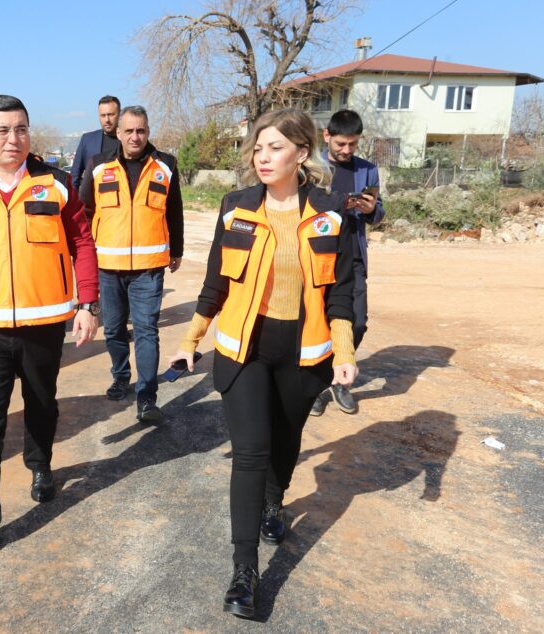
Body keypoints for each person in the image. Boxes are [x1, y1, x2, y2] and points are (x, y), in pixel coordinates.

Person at [168, 108, 357, 618]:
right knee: (250, 452)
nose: (263, 157)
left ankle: (277, 498)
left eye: (275, 147)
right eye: (258, 148)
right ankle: (244, 572)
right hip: (243, 347)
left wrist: (344, 354)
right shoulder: (235, 208)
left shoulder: (332, 212)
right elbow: (215, 284)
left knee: (284, 442)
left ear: (301, 151)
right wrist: (190, 339)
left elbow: (343, 292)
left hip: (304, 350)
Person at [0, 95, 99, 569]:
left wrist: (87, 303)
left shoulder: (57, 185)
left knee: (42, 404)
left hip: (44, 325)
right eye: (3, 130)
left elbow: (82, 242)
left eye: (21, 129)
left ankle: (40, 463)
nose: (14, 139)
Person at [79, 105, 184, 422]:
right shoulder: (99, 166)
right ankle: (121, 375)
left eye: (140, 130)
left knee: (147, 331)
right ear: (118, 133)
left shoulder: (166, 165)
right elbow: (84, 212)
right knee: (112, 331)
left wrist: (175, 250)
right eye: (129, 131)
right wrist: (84, 255)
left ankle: (147, 398)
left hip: (148, 269)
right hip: (108, 267)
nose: (135, 136)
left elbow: (174, 211)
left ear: (148, 131)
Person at [311, 109, 386, 416]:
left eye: (352, 145)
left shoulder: (367, 171)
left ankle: (339, 381)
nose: (346, 150)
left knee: (357, 321)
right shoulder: (311, 165)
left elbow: (379, 214)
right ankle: (315, 385)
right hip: (318, 255)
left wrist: (370, 209)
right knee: (316, 325)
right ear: (327, 136)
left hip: (352, 256)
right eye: (341, 144)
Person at [70, 95, 121, 193]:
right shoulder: (87, 140)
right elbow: (74, 177)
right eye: (103, 115)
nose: (107, 120)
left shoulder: (129, 140)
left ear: (119, 114)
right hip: (95, 205)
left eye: (111, 114)